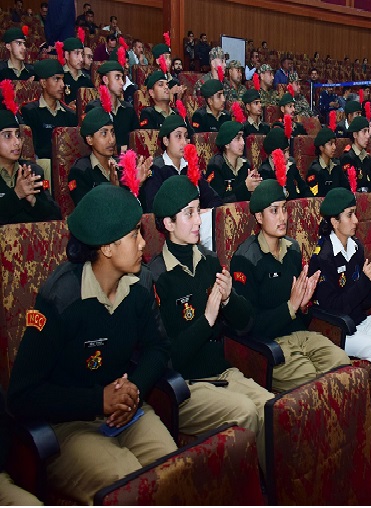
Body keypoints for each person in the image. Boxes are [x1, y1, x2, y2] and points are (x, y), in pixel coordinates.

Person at [7, 185, 178, 504]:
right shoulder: (60, 300)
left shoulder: (140, 284)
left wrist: (136, 390)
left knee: (173, 470)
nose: (144, 242)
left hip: (127, 408)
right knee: (128, 485)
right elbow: (23, 395)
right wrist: (97, 401)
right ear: (108, 248)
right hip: (70, 424)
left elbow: (158, 348)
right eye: (134, 234)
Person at [147, 175, 273, 468]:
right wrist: (206, 320)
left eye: (199, 211)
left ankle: (269, 489)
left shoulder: (210, 262)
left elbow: (244, 325)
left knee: (270, 406)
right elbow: (167, 359)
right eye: (189, 213)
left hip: (223, 374)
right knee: (245, 412)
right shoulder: (155, 279)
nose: (199, 220)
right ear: (167, 223)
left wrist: (230, 299)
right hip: (186, 388)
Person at [230, 180, 352, 391]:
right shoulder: (245, 259)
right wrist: (290, 307)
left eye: (284, 210)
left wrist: (304, 305)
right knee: (312, 385)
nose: (283, 217)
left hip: (301, 335)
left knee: (343, 366)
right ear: (259, 217)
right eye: (274, 211)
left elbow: (302, 315)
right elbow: (247, 326)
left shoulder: (293, 249)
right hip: (271, 345)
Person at [308, 188, 371, 360]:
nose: (356, 220)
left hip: (360, 321)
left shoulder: (356, 248)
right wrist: (365, 280)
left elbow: (366, 302)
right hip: (340, 331)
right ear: (334, 221)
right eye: (350, 215)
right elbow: (335, 309)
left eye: (355, 214)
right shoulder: (323, 258)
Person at [68, 108, 153, 205]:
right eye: (104, 133)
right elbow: (87, 212)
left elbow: (140, 209)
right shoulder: (81, 171)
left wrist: (137, 185)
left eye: (112, 132)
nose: (111, 140)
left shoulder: (124, 167)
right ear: (89, 139)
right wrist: (113, 190)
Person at [140, 115, 222, 213]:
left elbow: (214, 199)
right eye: (178, 136)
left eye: (186, 136)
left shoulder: (191, 167)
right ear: (166, 141)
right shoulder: (156, 168)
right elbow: (154, 208)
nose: (184, 142)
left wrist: (201, 211)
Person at [0, 110, 61, 224]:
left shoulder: (32, 171)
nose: (17, 142)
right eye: (8, 136)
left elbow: (55, 216)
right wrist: (17, 195)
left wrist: (33, 201)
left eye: (18, 135)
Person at [21, 59, 78, 173]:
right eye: (56, 79)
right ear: (43, 83)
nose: (62, 85)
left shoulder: (69, 114)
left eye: (62, 79)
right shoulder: (30, 112)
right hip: (42, 167)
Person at [85, 61, 139, 151]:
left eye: (122, 78)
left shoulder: (128, 109)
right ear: (106, 80)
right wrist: (120, 149)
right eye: (117, 77)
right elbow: (91, 141)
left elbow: (136, 138)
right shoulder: (94, 108)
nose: (122, 82)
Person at [206, 120, 259, 203]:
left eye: (242, 137)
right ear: (226, 144)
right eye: (238, 138)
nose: (243, 142)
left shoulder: (246, 165)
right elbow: (217, 200)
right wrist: (245, 187)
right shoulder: (216, 166)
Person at [338, 116, 371, 192]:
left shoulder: (367, 158)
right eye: (364, 132)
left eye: (368, 131)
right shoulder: (347, 158)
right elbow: (347, 186)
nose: (367, 136)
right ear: (355, 135)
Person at [61, 36, 93, 101]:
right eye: (77, 53)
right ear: (67, 55)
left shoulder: (86, 78)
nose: (81, 59)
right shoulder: (60, 77)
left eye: (82, 54)